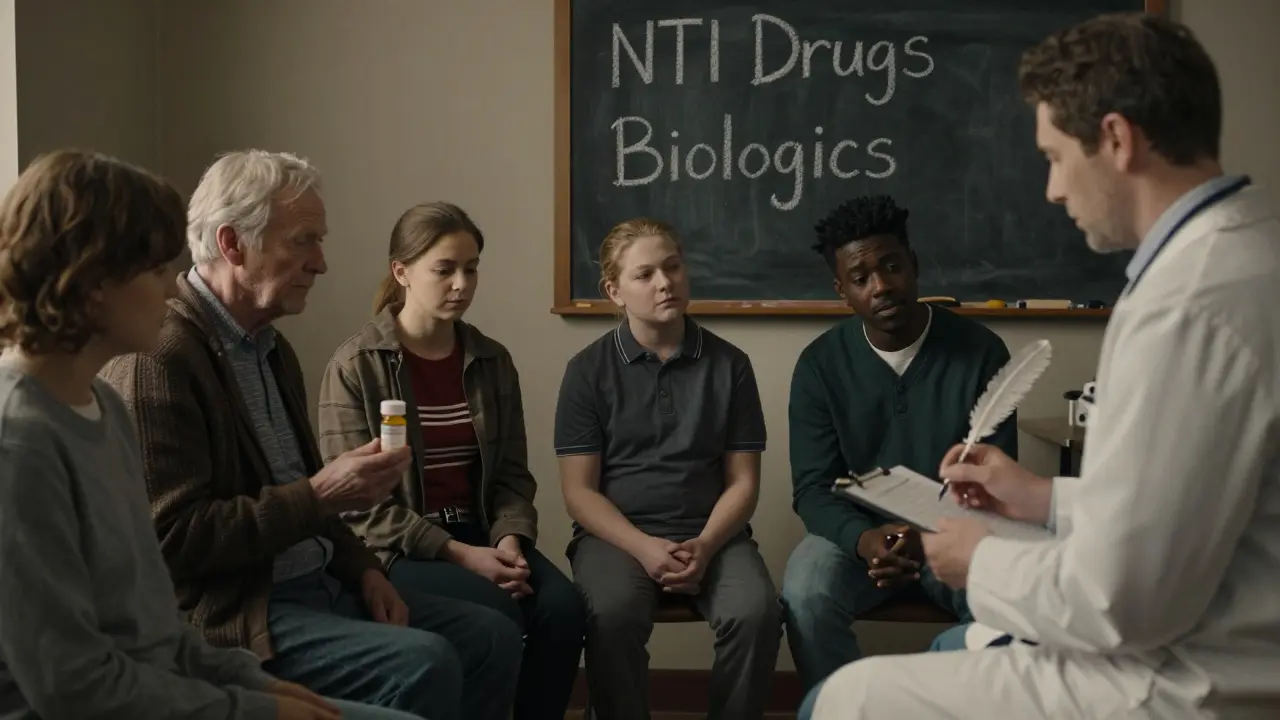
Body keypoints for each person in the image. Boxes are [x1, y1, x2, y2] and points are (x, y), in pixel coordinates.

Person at [803, 13, 1280, 719]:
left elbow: (1121, 602)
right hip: (1210, 633)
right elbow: (1189, 505)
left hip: (1179, 680)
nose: (1053, 191)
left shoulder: (1185, 308)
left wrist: (978, 559)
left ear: (1115, 139)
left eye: (1055, 157)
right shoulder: (1247, 254)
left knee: (845, 700)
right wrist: (1041, 499)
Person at [100, 150, 522, 720]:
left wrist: (364, 568)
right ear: (232, 244)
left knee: (492, 636)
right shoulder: (161, 358)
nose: (321, 263)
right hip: (241, 612)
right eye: (303, 241)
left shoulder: (272, 350)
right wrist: (321, 494)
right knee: (426, 661)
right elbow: (173, 541)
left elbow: (307, 502)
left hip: (321, 583)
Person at [0, 149, 421, 720]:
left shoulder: (100, 405)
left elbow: (152, 622)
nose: (172, 291)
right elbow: (71, 687)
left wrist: (247, 682)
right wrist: (246, 707)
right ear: (93, 279)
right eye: (154, 271)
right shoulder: (19, 443)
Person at [318, 200, 588, 720]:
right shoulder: (356, 365)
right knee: (497, 613)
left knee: (563, 608)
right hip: (399, 549)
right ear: (402, 272)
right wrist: (461, 556)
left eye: (471, 268)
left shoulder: (491, 360)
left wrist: (508, 541)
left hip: (484, 534)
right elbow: (354, 506)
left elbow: (512, 475)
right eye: (444, 270)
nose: (461, 283)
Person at [780, 194, 1018, 692]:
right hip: (854, 536)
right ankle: (844, 708)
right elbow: (813, 488)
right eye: (862, 277)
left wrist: (930, 532)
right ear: (842, 290)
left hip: (955, 528)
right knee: (804, 594)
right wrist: (865, 539)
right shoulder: (819, 366)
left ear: (914, 266)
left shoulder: (982, 352)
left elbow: (996, 482)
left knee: (1005, 600)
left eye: (892, 266)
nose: (882, 285)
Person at [554, 218, 782, 720]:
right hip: (616, 538)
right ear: (615, 290)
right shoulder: (586, 371)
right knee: (611, 615)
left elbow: (744, 481)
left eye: (673, 267)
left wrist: (703, 545)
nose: (665, 282)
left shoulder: (731, 364)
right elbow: (579, 493)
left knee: (757, 613)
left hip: (714, 535)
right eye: (645, 274)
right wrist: (642, 546)